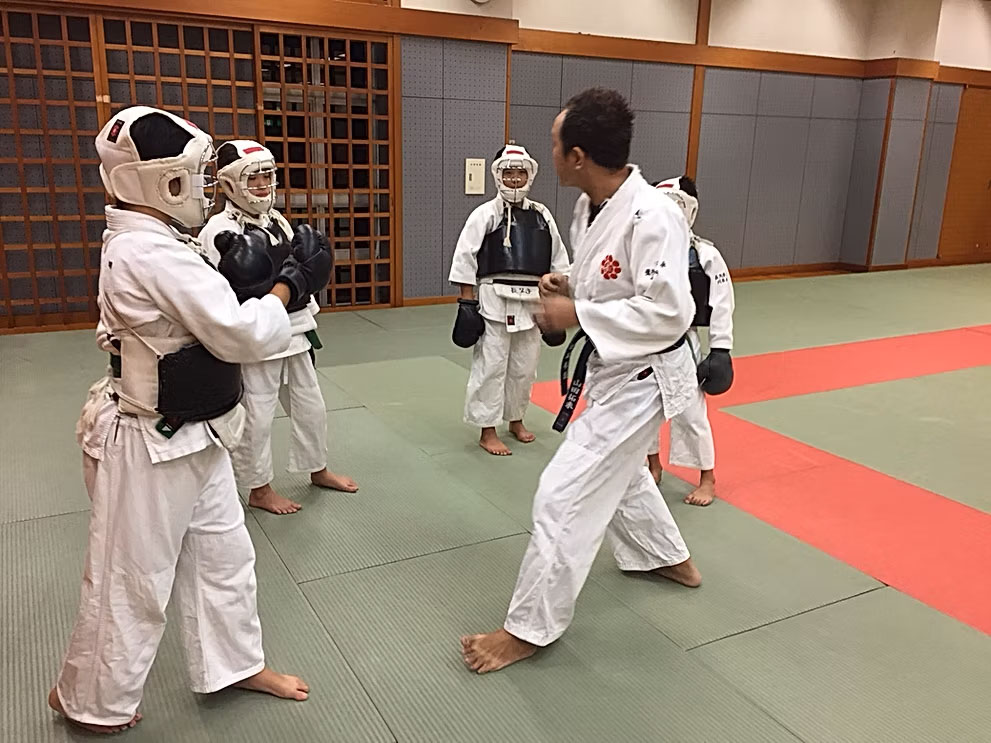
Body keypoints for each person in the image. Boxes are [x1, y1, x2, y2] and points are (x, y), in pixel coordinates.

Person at [50, 106, 330, 733]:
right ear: (161, 181)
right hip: (148, 442)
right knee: (133, 578)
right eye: (194, 176)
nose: (203, 188)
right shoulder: (149, 251)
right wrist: (290, 284)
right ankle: (89, 700)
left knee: (224, 557)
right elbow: (239, 334)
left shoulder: (164, 240)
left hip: (197, 432)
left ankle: (233, 666)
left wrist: (269, 279)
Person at [461, 89, 702, 674]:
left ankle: (528, 629)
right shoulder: (591, 204)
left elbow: (670, 312)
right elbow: (608, 275)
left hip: (646, 374)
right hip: (614, 369)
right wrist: (569, 284)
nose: (549, 153)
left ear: (577, 156)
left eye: (554, 144)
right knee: (620, 473)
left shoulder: (654, 215)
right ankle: (666, 557)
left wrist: (578, 313)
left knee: (564, 493)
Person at [198, 140, 357, 515]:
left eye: (267, 176)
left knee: (311, 406)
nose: (262, 185)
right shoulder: (217, 230)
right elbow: (213, 295)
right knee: (257, 413)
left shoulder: (279, 222)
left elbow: (300, 274)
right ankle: (259, 488)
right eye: (252, 178)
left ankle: (318, 468)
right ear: (230, 184)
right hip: (254, 334)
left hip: (295, 329)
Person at [449, 143, 571, 455]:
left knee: (524, 366)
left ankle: (516, 419)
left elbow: (558, 258)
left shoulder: (541, 215)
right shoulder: (485, 214)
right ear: (497, 176)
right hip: (494, 298)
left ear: (530, 175)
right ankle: (487, 429)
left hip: (532, 300)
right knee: (492, 365)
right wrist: (467, 303)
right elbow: (465, 256)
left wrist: (556, 297)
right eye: (508, 173)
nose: (514, 178)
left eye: (520, 173)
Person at [645, 176, 735, 506]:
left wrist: (720, 349)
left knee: (691, 412)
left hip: (682, 343)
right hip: (645, 341)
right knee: (644, 409)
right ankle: (652, 465)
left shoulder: (704, 253)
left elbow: (722, 302)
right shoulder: (642, 250)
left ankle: (707, 478)